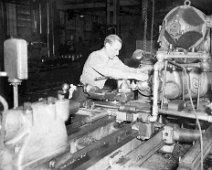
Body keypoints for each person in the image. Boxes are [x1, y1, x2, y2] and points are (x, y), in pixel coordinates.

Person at [80, 34, 151, 94]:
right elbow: (110, 73)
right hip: (84, 92)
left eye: (118, 50)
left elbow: (124, 68)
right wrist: (135, 76)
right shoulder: (95, 56)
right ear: (107, 45)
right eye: (115, 49)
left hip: (96, 91)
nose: (118, 53)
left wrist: (138, 71)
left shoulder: (113, 58)